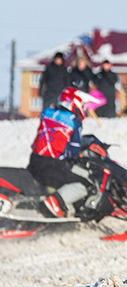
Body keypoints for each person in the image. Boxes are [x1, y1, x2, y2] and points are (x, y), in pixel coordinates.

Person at [27, 87, 94, 218]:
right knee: (85, 183)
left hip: (34, 161)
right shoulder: (74, 121)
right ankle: (55, 202)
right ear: (76, 102)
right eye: (83, 104)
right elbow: (74, 152)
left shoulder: (46, 113)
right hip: (52, 165)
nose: (84, 108)